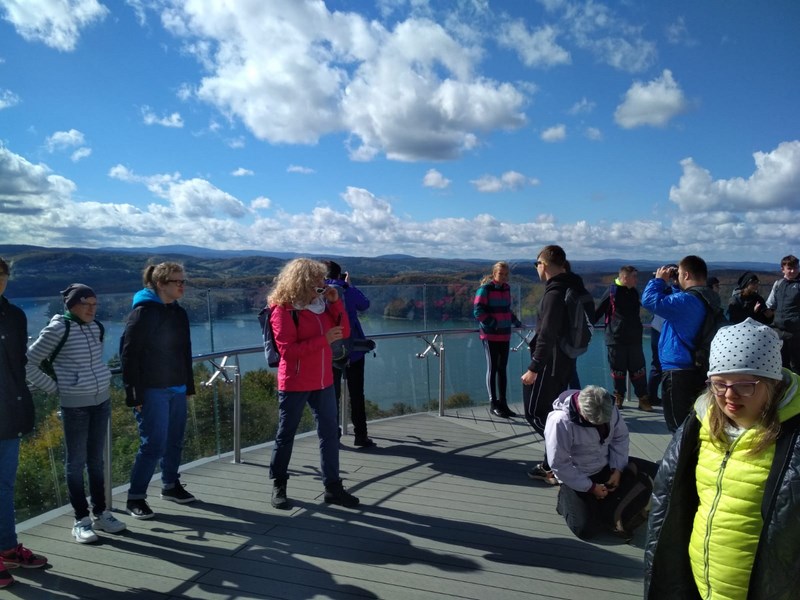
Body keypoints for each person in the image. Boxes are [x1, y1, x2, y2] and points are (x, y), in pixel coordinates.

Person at [644, 318, 800, 600]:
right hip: (699, 581)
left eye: (745, 385)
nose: (729, 395)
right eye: (719, 384)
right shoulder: (700, 425)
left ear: (773, 383)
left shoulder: (792, 439)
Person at [26, 284, 126, 543]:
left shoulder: (96, 327)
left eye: (94, 304)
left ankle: (101, 513)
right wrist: (56, 388)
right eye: (86, 304)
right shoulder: (58, 329)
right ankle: (81, 520)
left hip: (101, 400)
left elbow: (93, 363)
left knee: (96, 461)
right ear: (72, 305)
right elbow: (27, 362)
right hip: (75, 406)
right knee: (76, 463)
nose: (92, 309)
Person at [268, 258, 359, 510]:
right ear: (303, 281)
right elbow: (288, 352)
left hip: (323, 380)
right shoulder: (283, 310)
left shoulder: (321, 306)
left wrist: (335, 302)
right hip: (295, 382)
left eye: (322, 279)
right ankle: (279, 484)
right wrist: (324, 340)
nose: (322, 284)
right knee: (286, 435)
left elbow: (344, 332)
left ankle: (333, 487)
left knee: (329, 435)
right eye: (317, 279)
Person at [121, 262, 196, 520]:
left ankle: (170, 485)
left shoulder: (178, 312)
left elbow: (185, 351)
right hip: (152, 389)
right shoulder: (142, 313)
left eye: (183, 281)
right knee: (153, 444)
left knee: (175, 439)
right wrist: (134, 394)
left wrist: (188, 385)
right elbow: (129, 355)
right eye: (177, 281)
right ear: (161, 284)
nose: (182, 286)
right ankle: (135, 497)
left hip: (177, 387)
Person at [546, 386, 655, 540]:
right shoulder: (560, 421)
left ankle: (602, 501)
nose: (600, 425)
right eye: (595, 423)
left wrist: (617, 469)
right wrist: (590, 487)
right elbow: (559, 464)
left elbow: (620, 438)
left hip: (605, 464)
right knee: (585, 530)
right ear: (582, 413)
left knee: (659, 472)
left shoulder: (608, 405)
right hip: (578, 474)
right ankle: (565, 498)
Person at [522, 245, 591, 484]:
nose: (537, 268)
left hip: (548, 363)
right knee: (553, 412)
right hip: (565, 361)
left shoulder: (554, 293)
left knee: (535, 413)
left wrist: (534, 367)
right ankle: (549, 465)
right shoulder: (574, 286)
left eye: (537, 264)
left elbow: (547, 334)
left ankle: (569, 451)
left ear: (544, 264)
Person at [0, 258, 48, 588]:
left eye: (2, 274)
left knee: (5, 487)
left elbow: (20, 365)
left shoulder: (15, 315)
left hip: (9, 413)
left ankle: (7, 548)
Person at [642, 256, 718, 432]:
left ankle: (680, 452)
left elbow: (650, 300)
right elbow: (680, 305)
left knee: (678, 427)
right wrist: (677, 285)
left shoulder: (686, 302)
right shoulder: (706, 297)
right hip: (696, 367)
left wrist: (659, 280)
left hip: (677, 372)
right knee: (692, 423)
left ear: (686, 274)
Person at [324, 260, 375, 447]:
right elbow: (365, 304)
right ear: (340, 275)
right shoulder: (347, 290)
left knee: (331, 395)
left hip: (329, 351)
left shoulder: (318, 292)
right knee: (357, 394)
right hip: (354, 350)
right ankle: (360, 435)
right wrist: (349, 285)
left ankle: (333, 436)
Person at [593, 266, 653, 411]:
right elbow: (598, 312)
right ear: (625, 278)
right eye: (634, 277)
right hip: (616, 338)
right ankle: (618, 397)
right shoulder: (612, 292)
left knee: (639, 370)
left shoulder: (633, 292)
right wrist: (586, 328)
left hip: (634, 339)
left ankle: (643, 399)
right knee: (617, 371)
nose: (636, 280)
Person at [473, 261, 523, 418]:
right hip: (490, 335)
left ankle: (503, 403)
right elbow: (478, 311)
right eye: (501, 273)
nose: (504, 276)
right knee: (493, 368)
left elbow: (506, 310)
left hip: (504, 334)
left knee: (502, 369)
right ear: (494, 273)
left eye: (506, 274)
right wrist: (493, 324)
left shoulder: (506, 289)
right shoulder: (485, 289)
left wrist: (515, 322)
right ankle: (493, 404)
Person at [764, 254, 800, 371]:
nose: (793, 271)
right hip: (779, 332)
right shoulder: (778, 284)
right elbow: (770, 305)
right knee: (780, 364)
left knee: (796, 365)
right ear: (782, 269)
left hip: (796, 333)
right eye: (790, 268)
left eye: (796, 267)